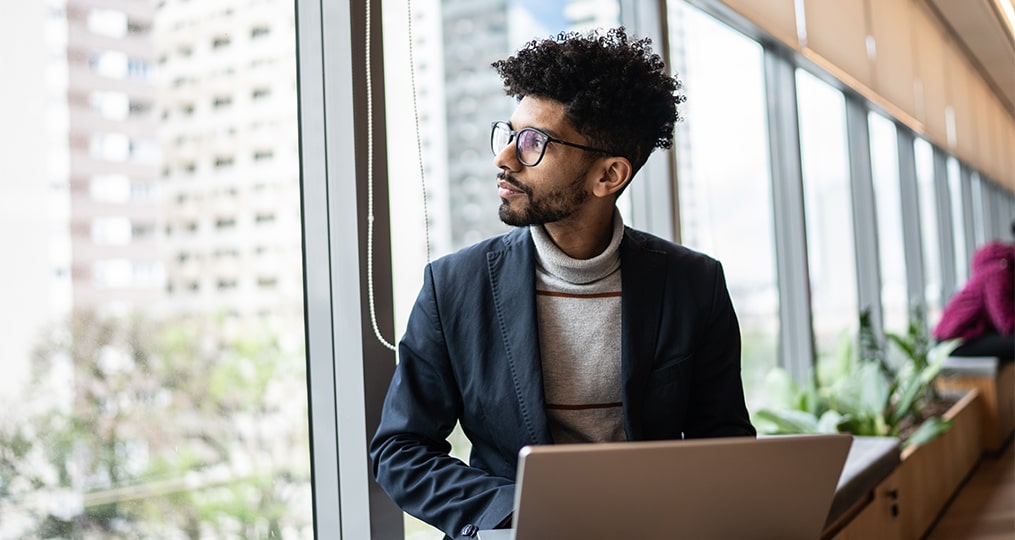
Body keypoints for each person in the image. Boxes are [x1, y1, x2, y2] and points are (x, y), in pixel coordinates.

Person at [369, 27, 756, 539]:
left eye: (533, 143)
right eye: (509, 134)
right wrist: (520, 509)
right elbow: (401, 451)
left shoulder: (693, 285)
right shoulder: (453, 286)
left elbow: (722, 441)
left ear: (608, 175)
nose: (504, 157)